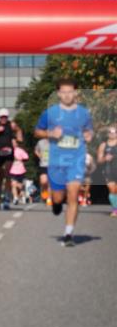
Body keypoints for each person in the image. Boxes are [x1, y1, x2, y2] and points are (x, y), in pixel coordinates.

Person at [34, 78, 94, 247]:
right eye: (63, 92)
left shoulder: (83, 113)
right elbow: (37, 131)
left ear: (75, 93)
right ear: (58, 94)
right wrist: (51, 134)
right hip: (56, 160)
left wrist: (89, 135)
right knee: (59, 197)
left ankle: (68, 233)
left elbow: (89, 130)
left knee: (73, 193)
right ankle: (56, 203)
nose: (67, 95)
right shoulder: (50, 112)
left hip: (76, 159)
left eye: (70, 91)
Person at [0, 108, 24, 210]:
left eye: (5, 117)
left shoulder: (11, 124)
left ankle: (6, 198)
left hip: (9, 153)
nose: (3, 119)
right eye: (2, 117)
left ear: (7, 117)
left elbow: (19, 130)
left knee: (8, 175)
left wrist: (19, 138)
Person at [98, 126, 117, 217]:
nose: (112, 134)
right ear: (107, 133)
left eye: (114, 132)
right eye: (110, 132)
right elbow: (99, 160)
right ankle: (115, 210)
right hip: (109, 170)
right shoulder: (103, 145)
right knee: (112, 190)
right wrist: (105, 158)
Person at [9, 139, 29, 205]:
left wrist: (19, 159)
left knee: (20, 186)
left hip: (21, 170)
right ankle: (15, 198)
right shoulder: (8, 150)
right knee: (13, 184)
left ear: (17, 144)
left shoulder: (20, 150)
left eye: (14, 143)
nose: (13, 144)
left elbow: (26, 157)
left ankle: (23, 195)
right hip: (12, 170)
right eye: (12, 143)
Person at [34, 136, 51, 203]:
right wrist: (39, 155)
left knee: (50, 182)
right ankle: (44, 192)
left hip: (53, 165)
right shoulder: (40, 142)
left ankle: (49, 198)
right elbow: (36, 150)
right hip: (43, 164)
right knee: (43, 181)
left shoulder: (55, 141)